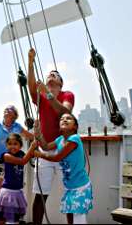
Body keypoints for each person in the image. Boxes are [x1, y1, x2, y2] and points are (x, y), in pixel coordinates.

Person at [28, 48, 75, 224]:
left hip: (64, 151)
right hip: (45, 150)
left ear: (61, 84)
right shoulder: (40, 96)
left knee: (70, 195)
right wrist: (30, 62)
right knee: (40, 196)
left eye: (55, 74)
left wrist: (47, 94)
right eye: (50, 74)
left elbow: (64, 113)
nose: (51, 75)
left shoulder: (66, 95)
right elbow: (30, 85)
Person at [32, 114, 93, 224]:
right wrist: (39, 133)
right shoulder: (59, 139)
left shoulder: (74, 139)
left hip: (80, 187)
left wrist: (40, 155)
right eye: (61, 119)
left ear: (75, 127)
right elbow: (45, 147)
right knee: (70, 214)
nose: (64, 119)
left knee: (78, 219)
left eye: (68, 118)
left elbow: (57, 157)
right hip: (69, 187)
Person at [0, 105, 33, 209]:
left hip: (12, 166)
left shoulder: (18, 127)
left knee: (8, 197)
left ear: (15, 116)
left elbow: (31, 137)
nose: (7, 109)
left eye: (10, 109)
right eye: (6, 109)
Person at [0, 133, 37, 225]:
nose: (12, 146)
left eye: (15, 144)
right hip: (7, 193)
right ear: (6, 145)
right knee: (3, 220)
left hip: (18, 192)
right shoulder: (6, 156)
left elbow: (30, 156)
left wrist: (35, 143)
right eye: (10, 144)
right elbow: (23, 162)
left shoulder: (22, 154)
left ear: (20, 146)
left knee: (15, 220)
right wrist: (32, 147)